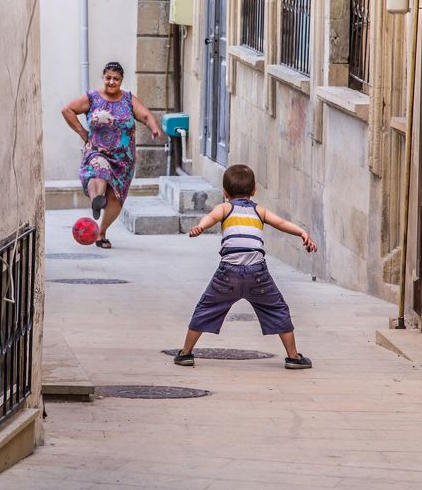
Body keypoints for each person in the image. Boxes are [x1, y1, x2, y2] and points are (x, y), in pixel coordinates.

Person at [175, 164, 316, 369]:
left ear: (225, 192)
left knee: (206, 308)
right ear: (254, 190)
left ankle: (185, 353)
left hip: (228, 274)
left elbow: (211, 218)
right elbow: (281, 223)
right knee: (277, 309)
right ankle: (293, 356)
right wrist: (302, 233)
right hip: (257, 273)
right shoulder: (259, 210)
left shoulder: (224, 207)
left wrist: (200, 227)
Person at [61, 61, 165, 248]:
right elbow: (67, 110)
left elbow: (146, 116)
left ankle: (101, 233)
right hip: (97, 151)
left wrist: (154, 127)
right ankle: (97, 199)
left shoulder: (128, 99)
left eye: (115, 79)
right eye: (108, 78)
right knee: (99, 171)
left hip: (123, 159)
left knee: (117, 199)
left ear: (121, 80)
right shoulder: (92, 98)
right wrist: (83, 133)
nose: (111, 82)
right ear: (103, 77)